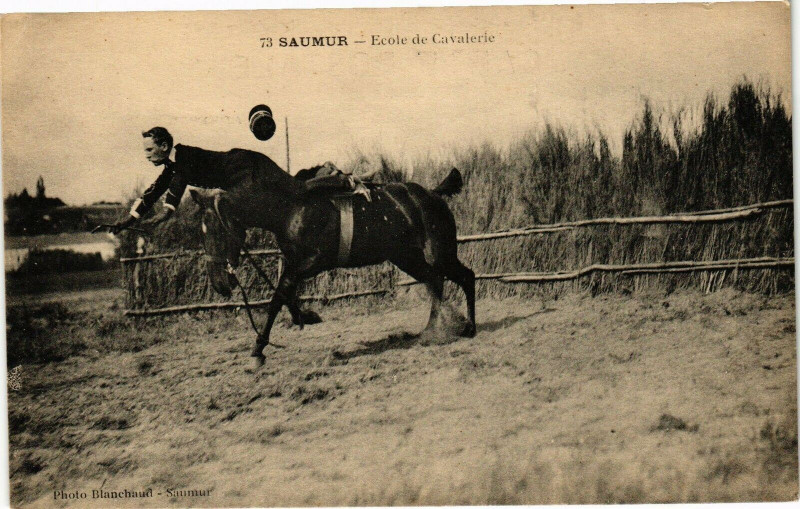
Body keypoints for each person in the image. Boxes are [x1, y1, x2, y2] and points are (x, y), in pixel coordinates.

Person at [106, 127, 365, 233]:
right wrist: (127, 221)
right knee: (290, 193)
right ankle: (323, 171)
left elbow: (178, 182)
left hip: (249, 165)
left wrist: (167, 212)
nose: (147, 155)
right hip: (241, 178)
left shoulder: (182, 156)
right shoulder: (172, 166)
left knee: (296, 191)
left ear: (164, 146)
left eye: (149, 150)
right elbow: (153, 192)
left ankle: (343, 181)